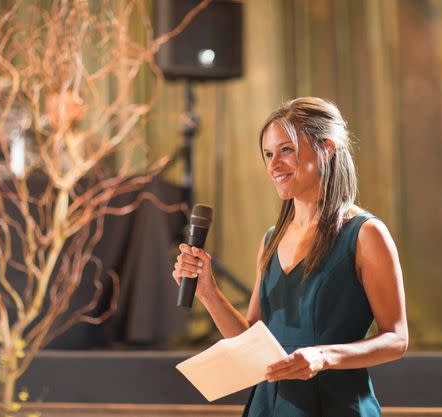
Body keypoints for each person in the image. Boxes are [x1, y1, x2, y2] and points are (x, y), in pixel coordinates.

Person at [172, 97, 408, 417]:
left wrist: (324, 357)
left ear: (326, 148)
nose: (273, 166)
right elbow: (248, 340)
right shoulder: (272, 239)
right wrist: (208, 293)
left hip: (336, 405)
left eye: (286, 150)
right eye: (268, 154)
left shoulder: (366, 234)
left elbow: (396, 339)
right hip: (270, 406)